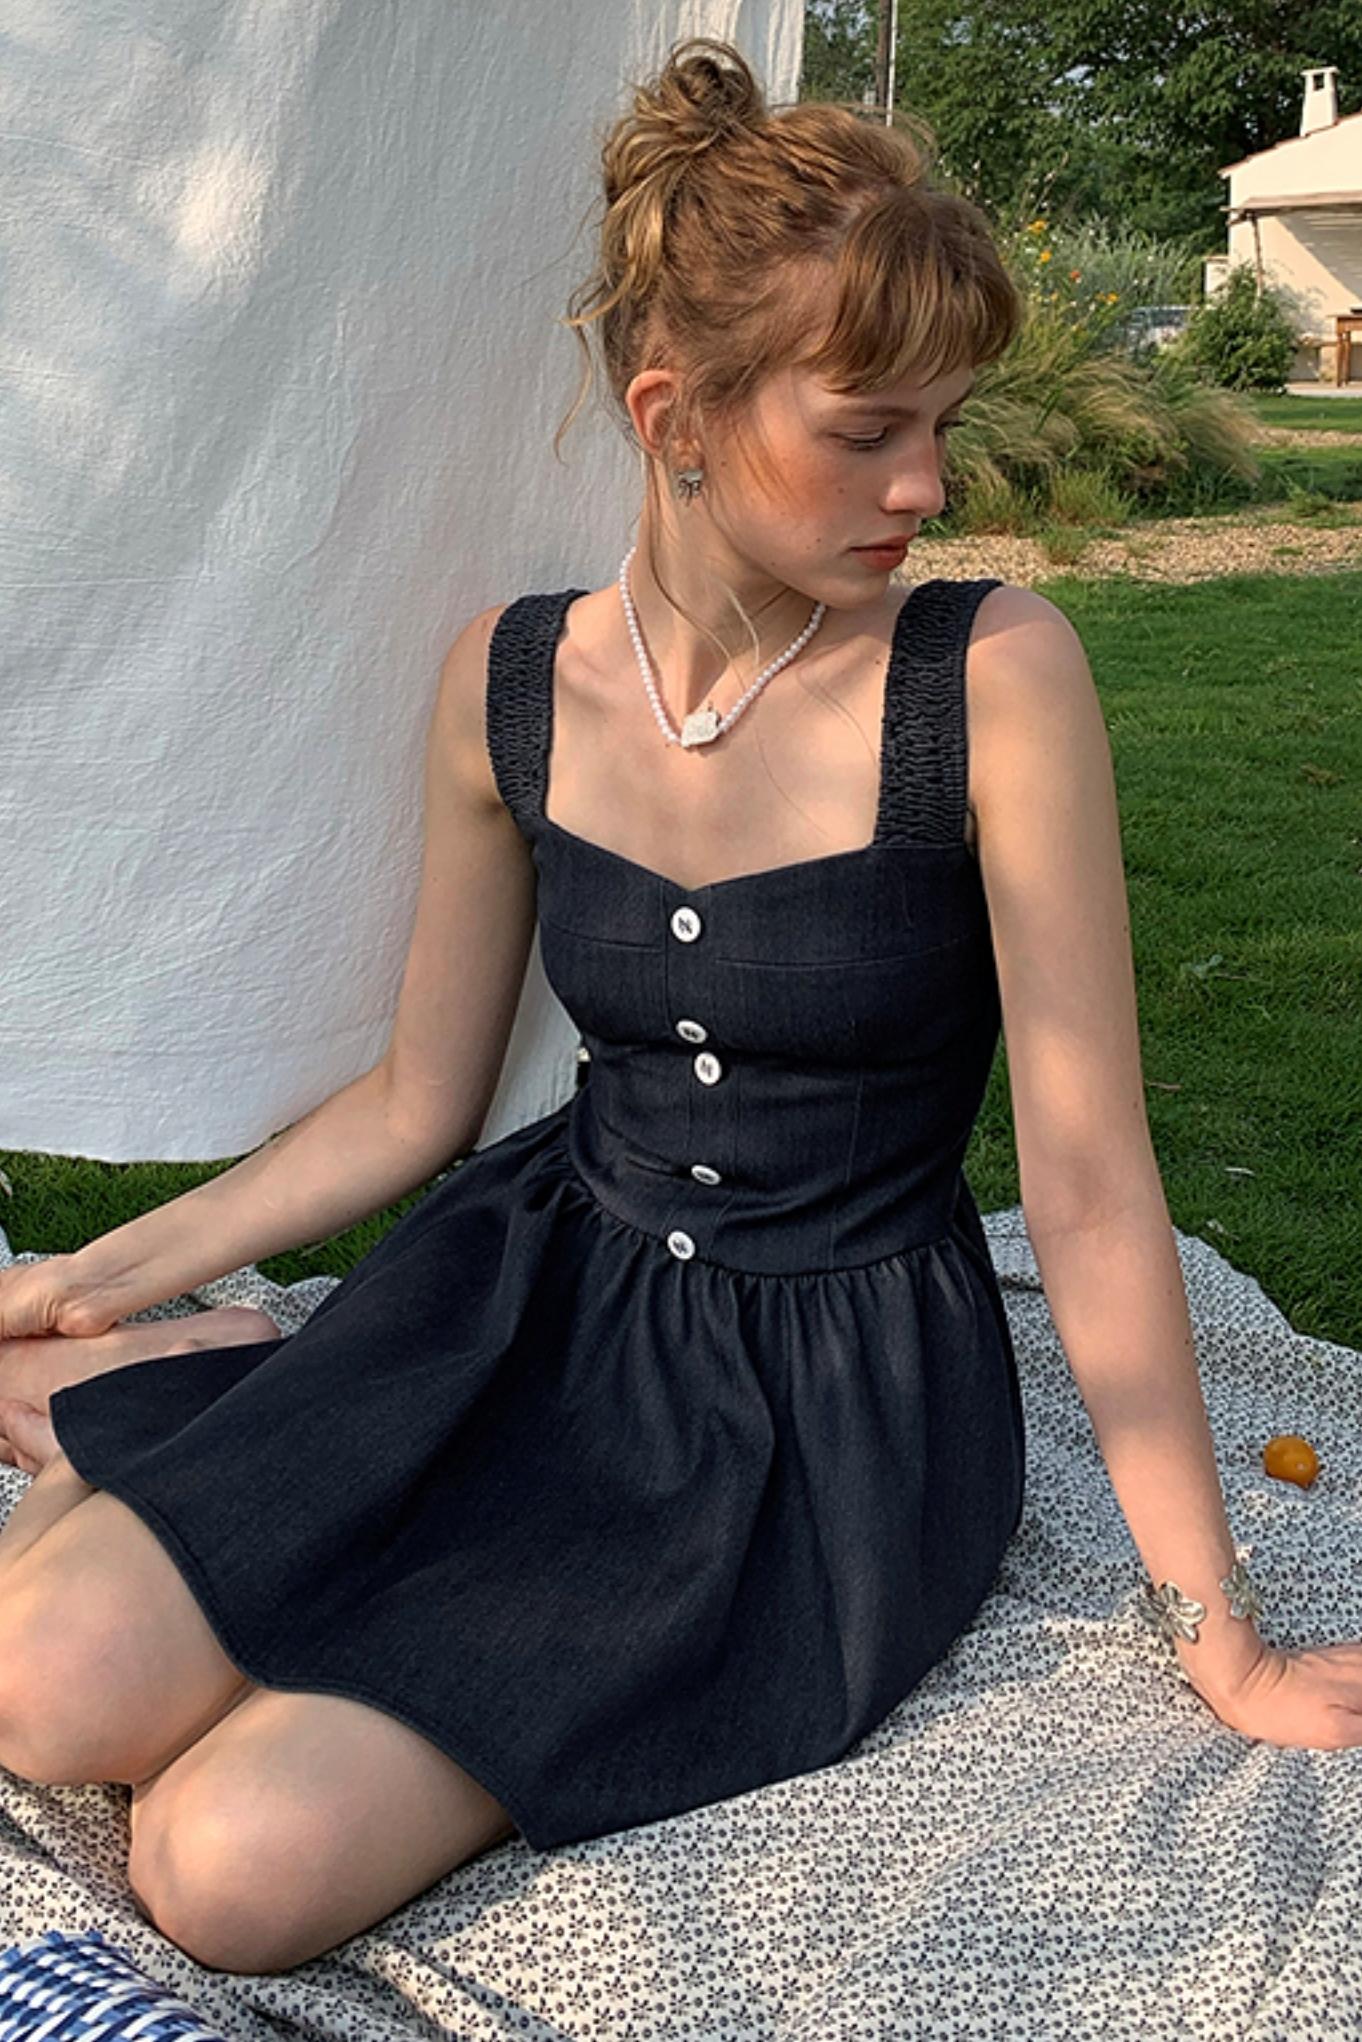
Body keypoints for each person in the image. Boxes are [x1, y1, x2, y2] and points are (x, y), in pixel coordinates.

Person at [1, 32, 1360, 1981]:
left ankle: (214, 1430)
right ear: (677, 415)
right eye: (869, 429)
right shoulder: (511, 681)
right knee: (41, 1688)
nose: (926, 484)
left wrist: (1216, 1631)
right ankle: (193, 1372)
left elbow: (1083, 1185)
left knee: (227, 1873)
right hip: (532, 1289)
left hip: (816, 1401)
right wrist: (93, 1279)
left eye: (942, 423)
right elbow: (411, 1106)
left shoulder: (991, 677)